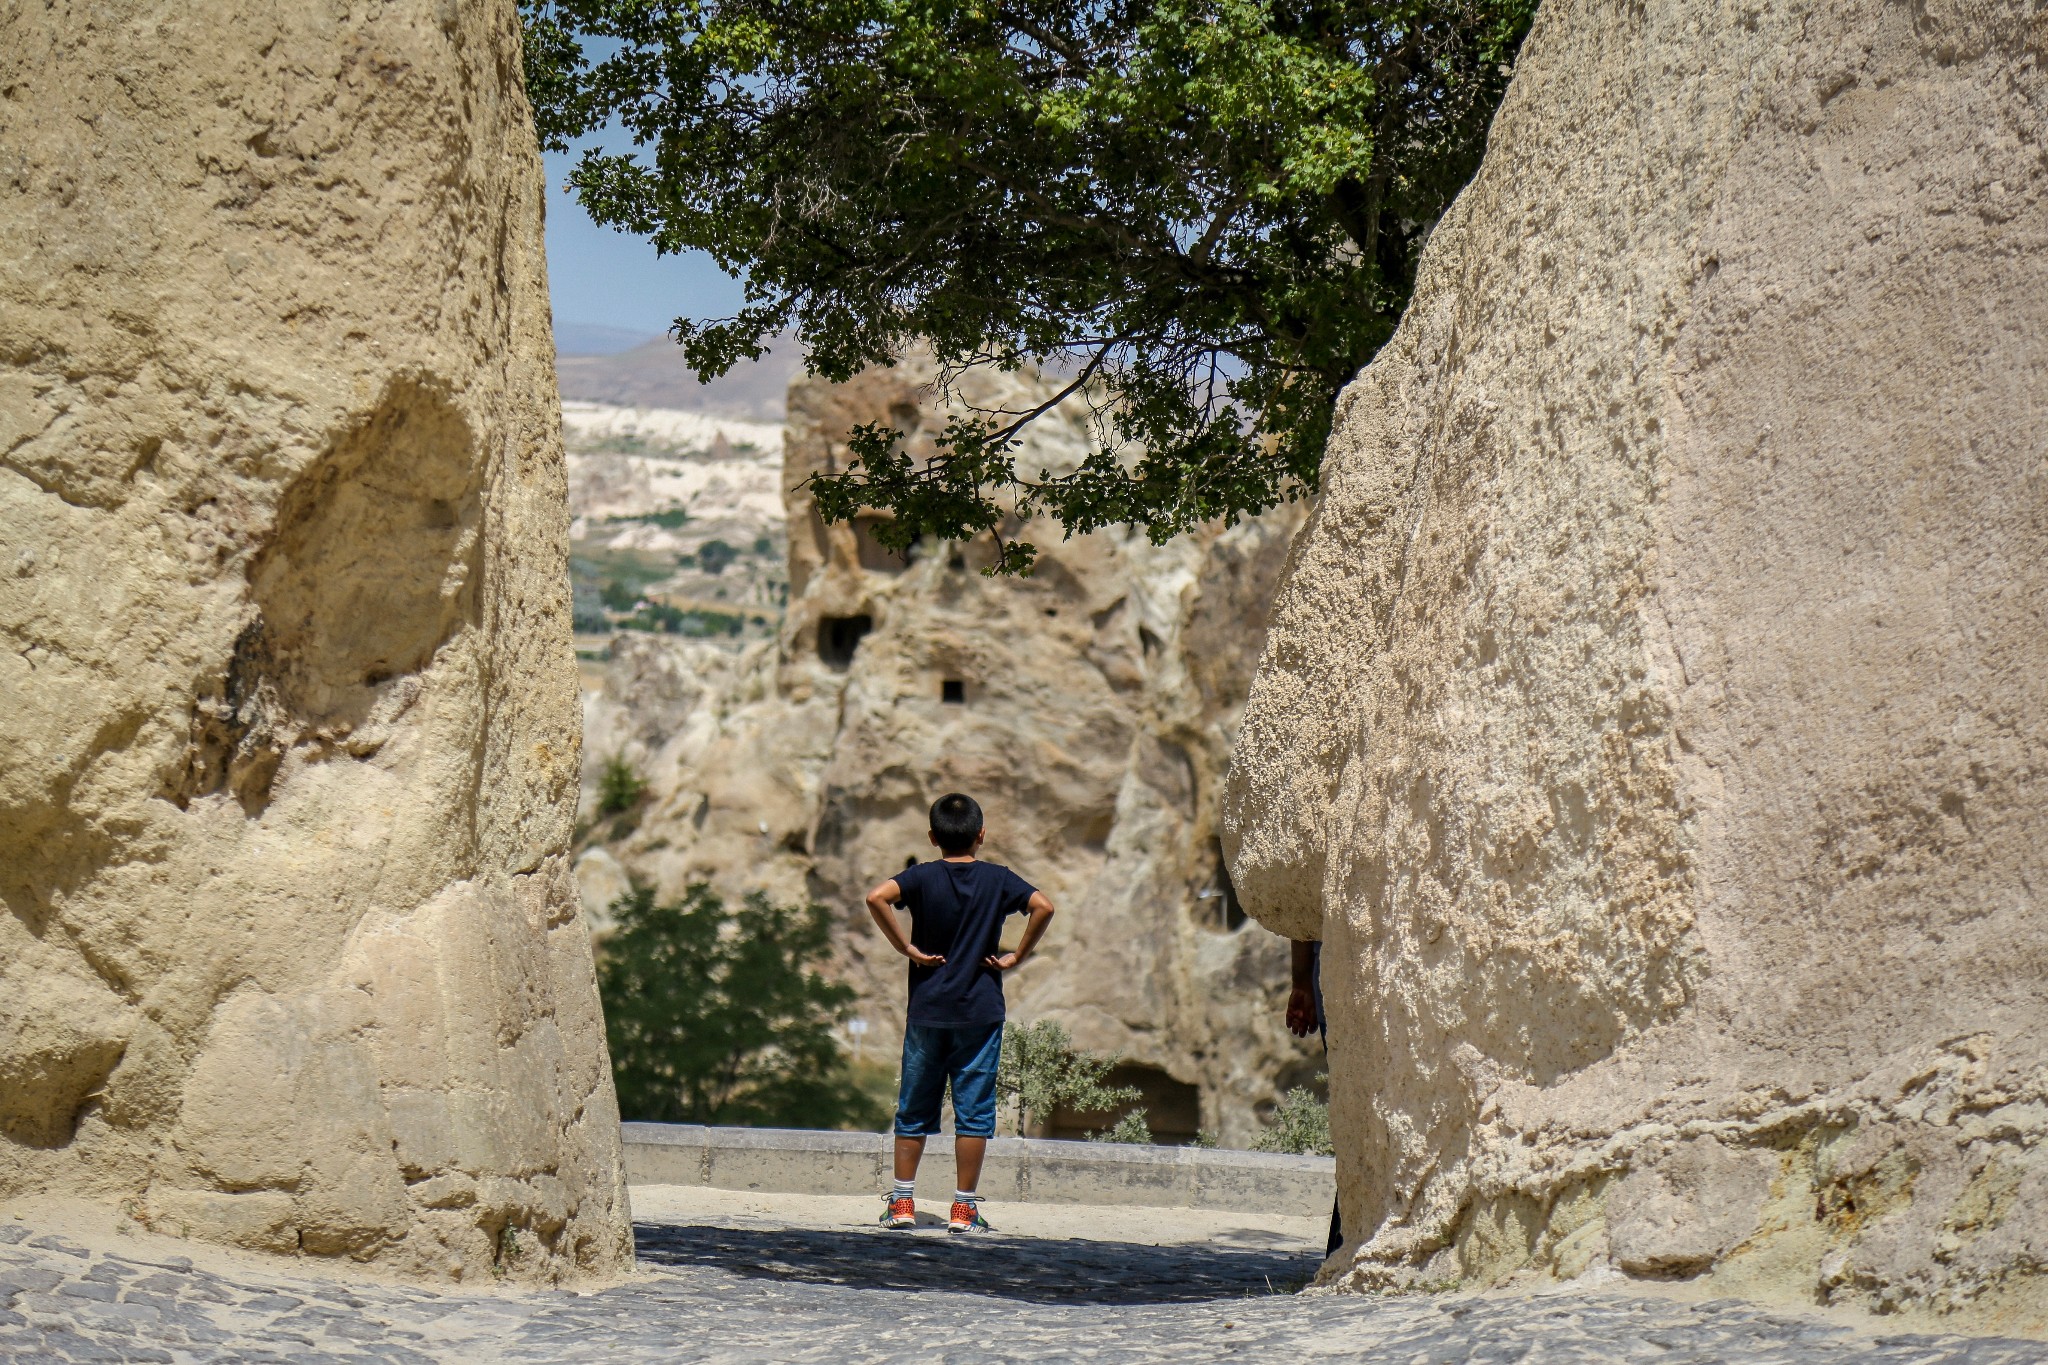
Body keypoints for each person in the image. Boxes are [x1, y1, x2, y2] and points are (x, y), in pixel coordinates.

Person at [864, 793, 1056, 1234]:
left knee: (913, 1108)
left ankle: (902, 1203)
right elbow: (1043, 906)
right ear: (981, 834)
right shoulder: (998, 880)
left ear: (932, 837)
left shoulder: (921, 878)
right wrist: (1017, 957)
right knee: (973, 1113)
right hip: (980, 1010)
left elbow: (876, 897)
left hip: (928, 1008)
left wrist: (906, 948)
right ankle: (963, 1209)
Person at [1287, 938, 1344, 1257]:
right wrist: (1303, 983)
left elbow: (1302, 903)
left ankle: (1342, 1249)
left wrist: (1302, 981)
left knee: (1354, 1130)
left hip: (1330, 973)